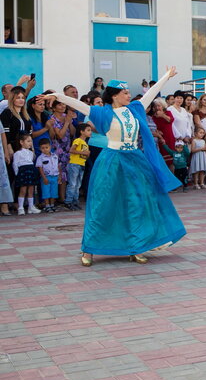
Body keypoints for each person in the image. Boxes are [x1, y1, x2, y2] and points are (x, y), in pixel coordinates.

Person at [47, 69, 186, 266]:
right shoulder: (103, 112)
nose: (129, 95)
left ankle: (136, 247)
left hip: (135, 161)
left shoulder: (135, 108)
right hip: (112, 161)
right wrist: (58, 96)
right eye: (125, 92)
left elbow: (151, 93)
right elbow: (80, 105)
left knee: (137, 203)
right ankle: (88, 249)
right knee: (103, 203)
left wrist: (166, 76)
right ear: (114, 95)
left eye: (129, 92)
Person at [65, 123, 91, 211]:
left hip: (81, 164)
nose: (90, 132)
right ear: (82, 132)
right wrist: (83, 153)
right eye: (88, 130)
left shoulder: (85, 143)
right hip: (75, 164)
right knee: (72, 183)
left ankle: (75, 201)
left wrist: (87, 154)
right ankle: (68, 201)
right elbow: (71, 150)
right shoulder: (78, 140)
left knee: (78, 184)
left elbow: (84, 156)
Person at [13, 134, 40, 214]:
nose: (30, 143)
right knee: (23, 190)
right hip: (23, 171)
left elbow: (31, 160)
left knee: (31, 189)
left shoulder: (31, 153)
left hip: (31, 170)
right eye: (28, 141)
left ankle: (31, 207)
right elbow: (15, 164)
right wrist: (17, 173)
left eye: (31, 141)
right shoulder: (18, 153)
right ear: (21, 142)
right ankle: (20, 207)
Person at [36, 138, 60, 213]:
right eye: (43, 148)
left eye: (46, 147)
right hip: (46, 177)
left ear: (50, 147)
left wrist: (59, 176)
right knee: (46, 191)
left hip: (55, 176)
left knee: (54, 191)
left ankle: (52, 205)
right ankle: (47, 205)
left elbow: (58, 166)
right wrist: (44, 178)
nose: (45, 149)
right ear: (40, 149)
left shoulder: (55, 156)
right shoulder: (40, 158)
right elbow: (40, 168)